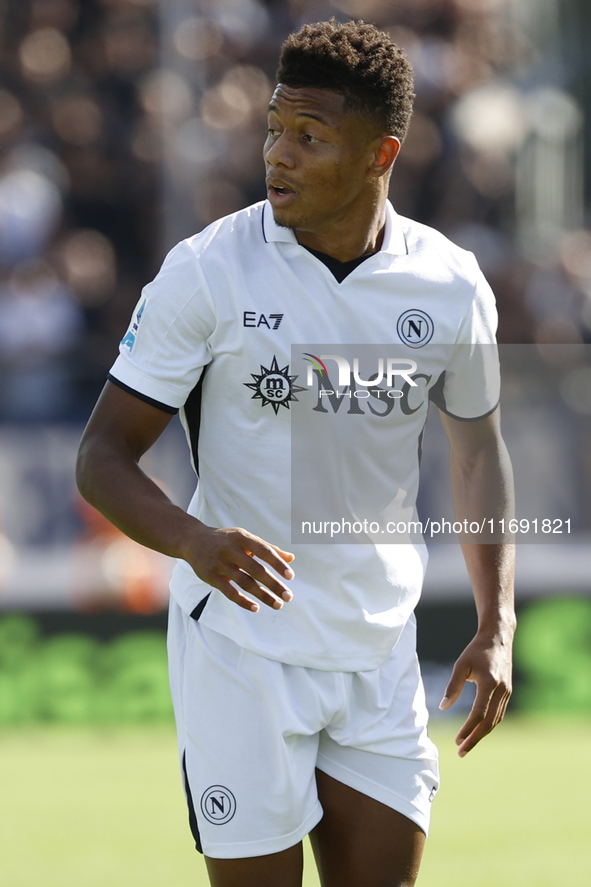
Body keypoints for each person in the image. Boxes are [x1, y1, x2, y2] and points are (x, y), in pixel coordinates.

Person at [76, 19, 516, 887]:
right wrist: (193, 541)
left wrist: (494, 620)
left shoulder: (449, 282)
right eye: (274, 128)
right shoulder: (208, 271)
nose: (276, 153)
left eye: (308, 137)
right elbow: (101, 455)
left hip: (376, 649)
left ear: (378, 153)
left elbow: (478, 455)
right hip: (241, 651)